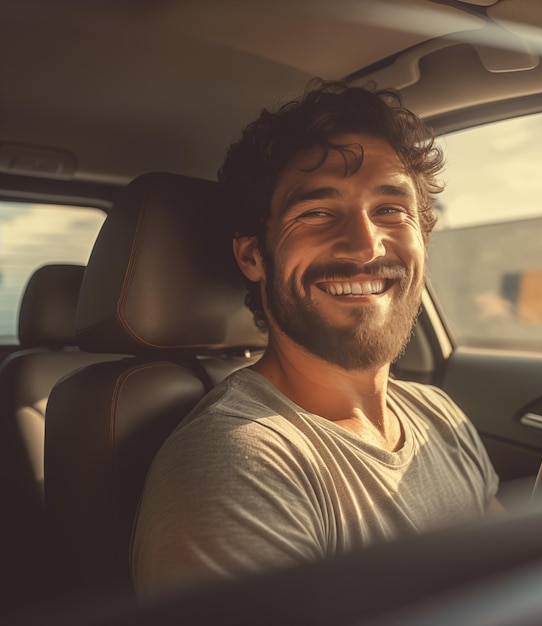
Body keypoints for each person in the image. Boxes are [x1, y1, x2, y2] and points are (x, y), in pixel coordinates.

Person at [131, 79, 501, 596]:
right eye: (317, 213)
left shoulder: (441, 415)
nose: (365, 246)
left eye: (391, 209)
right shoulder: (240, 465)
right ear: (253, 256)